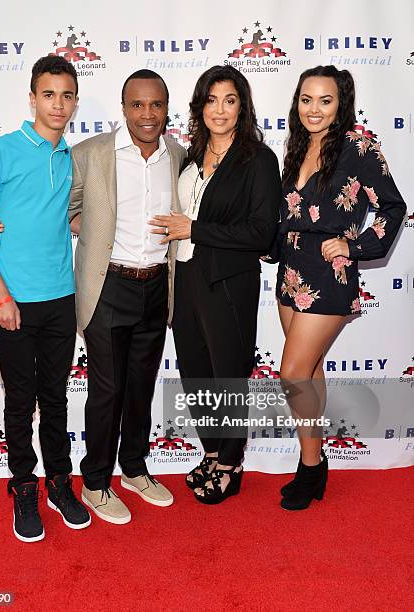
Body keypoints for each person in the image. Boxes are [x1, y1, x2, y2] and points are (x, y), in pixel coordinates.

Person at [0, 56, 91, 542]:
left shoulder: (71, 158)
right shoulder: (2, 150)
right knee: (20, 402)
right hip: (14, 300)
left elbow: (67, 218)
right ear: (33, 97)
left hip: (63, 298)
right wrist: (0, 295)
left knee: (55, 399)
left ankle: (60, 483)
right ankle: (23, 487)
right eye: (49, 94)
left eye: (66, 95)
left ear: (75, 101)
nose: (57, 104)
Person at [271, 65, 406, 510]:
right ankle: (316, 459)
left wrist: (356, 243)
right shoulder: (296, 146)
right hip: (290, 273)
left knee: (291, 373)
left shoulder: (359, 148)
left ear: (340, 103)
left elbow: (393, 205)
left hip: (329, 278)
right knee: (308, 372)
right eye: (306, 99)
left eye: (325, 100)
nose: (313, 109)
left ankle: (310, 466)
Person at [149, 65, 281, 504]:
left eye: (229, 100)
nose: (219, 110)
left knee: (228, 375)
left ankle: (230, 461)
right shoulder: (191, 153)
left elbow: (261, 232)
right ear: (199, 106)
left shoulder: (258, 159)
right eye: (211, 100)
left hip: (228, 282)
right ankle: (210, 450)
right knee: (196, 374)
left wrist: (196, 229)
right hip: (184, 278)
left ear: (241, 106)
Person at [69, 70, 186, 524]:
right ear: (123, 108)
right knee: (107, 389)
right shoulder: (92, 154)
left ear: (166, 108)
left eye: (156, 105)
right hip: (107, 287)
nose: (147, 114)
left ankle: (135, 469)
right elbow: (63, 209)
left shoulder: (176, 155)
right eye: (137, 105)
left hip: (157, 285)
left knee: (140, 386)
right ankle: (95, 482)